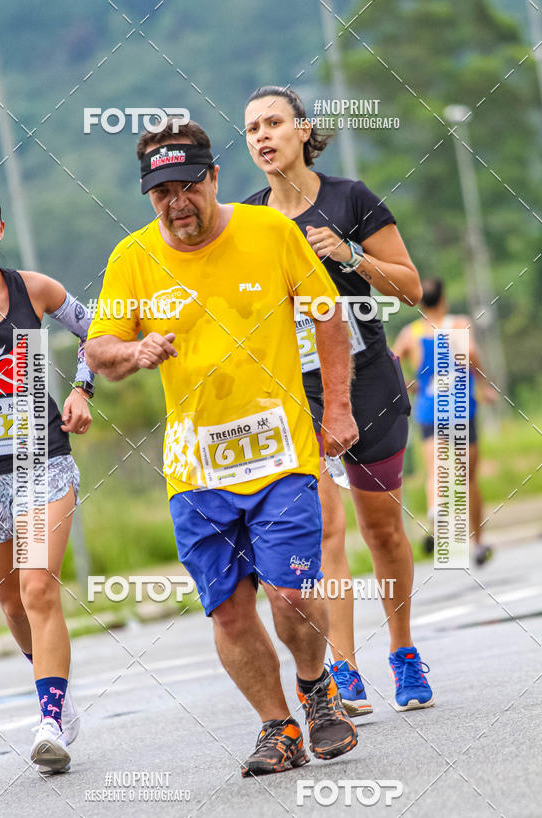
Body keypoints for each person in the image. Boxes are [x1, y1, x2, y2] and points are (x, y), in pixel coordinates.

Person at [86, 118, 360, 777]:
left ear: (214, 178)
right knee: (230, 609)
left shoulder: (269, 233)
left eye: (188, 185)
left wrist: (342, 408)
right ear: (148, 196)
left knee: (290, 596)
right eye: (161, 192)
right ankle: (278, 728)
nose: (177, 202)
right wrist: (134, 349)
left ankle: (317, 684)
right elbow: (98, 347)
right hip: (195, 471)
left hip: (281, 454)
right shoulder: (132, 258)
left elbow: (327, 315)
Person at [243, 86, 433, 714]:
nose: (263, 136)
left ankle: (402, 649)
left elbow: (409, 287)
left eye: (274, 123)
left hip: (369, 380)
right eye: (251, 129)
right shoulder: (251, 221)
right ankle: (343, 669)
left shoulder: (351, 198)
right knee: (326, 530)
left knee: (381, 530)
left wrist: (351, 254)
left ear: (304, 131)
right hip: (297, 392)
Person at [0, 177, 96, 773]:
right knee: (11, 604)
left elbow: (96, 331)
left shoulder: (34, 289)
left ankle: (51, 719)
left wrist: (83, 388)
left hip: (41, 464)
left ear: (1, 228)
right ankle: (51, 690)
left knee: (38, 588)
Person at [393, 277, 495, 565]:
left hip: (429, 410)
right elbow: (472, 354)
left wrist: (408, 384)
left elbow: (393, 359)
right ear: (444, 299)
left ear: (420, 302)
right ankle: (476, 543)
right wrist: (484, 383)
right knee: (468, 479)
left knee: (435, 469)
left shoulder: (411, 332)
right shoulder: (458, 324)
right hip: (462, 409)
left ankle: (436, 508)